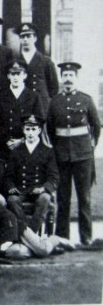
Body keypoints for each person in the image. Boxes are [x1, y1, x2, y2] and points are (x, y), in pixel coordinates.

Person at [47, 62, 100, 246]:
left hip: (83, 156)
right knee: (63, 198)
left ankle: (86, 238)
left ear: (76, 78)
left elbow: (96, 126)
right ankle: (63, 238)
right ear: (62, 78)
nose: (68, 79)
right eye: (65, 75)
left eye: (71, 75)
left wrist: (89, 147)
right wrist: (57, 150)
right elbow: (50, 129)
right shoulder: (54, 102)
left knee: (84, 198)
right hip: (62, 157)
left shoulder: (86, 100)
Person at [4, 114, 58, 232]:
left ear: (39, 130)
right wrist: (11, 187)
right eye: (27, 129)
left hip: (39, 190)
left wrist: (44, 188)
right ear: (23, 130)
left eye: (33, 129)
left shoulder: (47, 151)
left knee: (44, 198)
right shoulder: (16, 152)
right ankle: (26, 231)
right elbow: (8, 176)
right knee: (12, 200)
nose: (30, 132)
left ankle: (30, 233)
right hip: (21, 190)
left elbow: (53, 176)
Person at [0, 59, 44, 158]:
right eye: (13, 74)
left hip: (27, 145)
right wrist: (7, 141)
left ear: (24, 75)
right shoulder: (0, 97)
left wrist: (22, 140)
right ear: (8, 76)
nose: (15, 77)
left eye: (18, 73)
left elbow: (39, 121)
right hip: (4, 147)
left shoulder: (34, 97)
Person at [15, 23, 58, 111]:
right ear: (19, 39)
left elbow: (53, 88)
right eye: (22, 37)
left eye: (28, 36)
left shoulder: (46, 61)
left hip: (41, 107)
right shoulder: (15, 61)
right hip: (21, 105)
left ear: (35, 38)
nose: (25, 40)